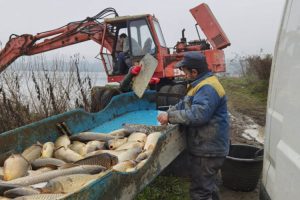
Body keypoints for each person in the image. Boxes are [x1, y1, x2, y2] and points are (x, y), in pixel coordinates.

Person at [157, 51, 229, 200]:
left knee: (200, 192)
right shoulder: (199, 84)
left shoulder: (208, 88)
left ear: (194, 72)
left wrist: (170, 117)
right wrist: (169, 112)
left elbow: (198, 115)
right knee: (208, 186)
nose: (184, 75)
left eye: (185, 72)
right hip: (208, 148)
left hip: (208, 150)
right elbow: (184, 103)